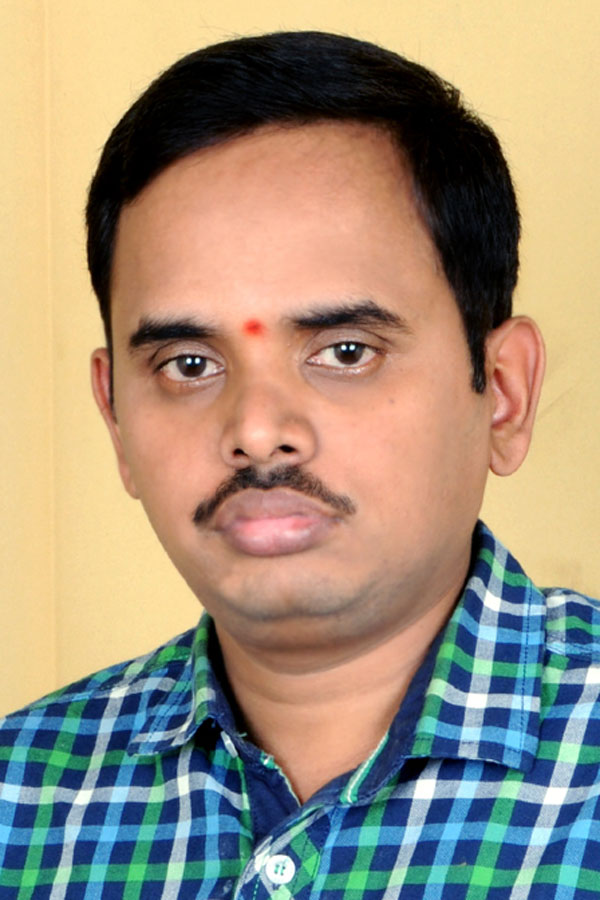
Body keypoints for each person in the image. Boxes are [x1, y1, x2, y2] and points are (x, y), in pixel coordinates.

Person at [0, 29, 598, 899]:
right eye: (189, 365)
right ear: (116, 416)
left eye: (345, 351)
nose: (255, 431)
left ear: (502, 392)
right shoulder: (20, 799)